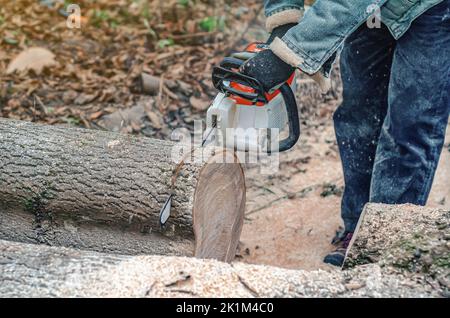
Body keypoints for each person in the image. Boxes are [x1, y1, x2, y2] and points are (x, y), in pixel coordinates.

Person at [232, 0, 450, 266]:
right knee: (359, 115)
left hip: (431, 8)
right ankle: (357, 224)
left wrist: (288, 53)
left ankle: (383, 242)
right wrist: (283, 20)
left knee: (409, 124)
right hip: (371, 12)